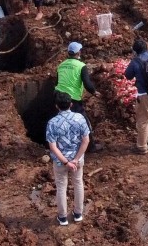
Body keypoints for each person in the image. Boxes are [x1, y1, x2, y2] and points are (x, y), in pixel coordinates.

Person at [46, 90, 90, 226]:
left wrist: (66, 162)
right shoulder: (80, 118)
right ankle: (78, 214)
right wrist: (75, 160)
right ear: (71, 104)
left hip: (60, 162)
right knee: (78, 183)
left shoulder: (52, 123)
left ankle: (63, 217)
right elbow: (85, 140)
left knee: (61, 187)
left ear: (56, 106)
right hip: (77, 159)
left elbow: (53, 147)